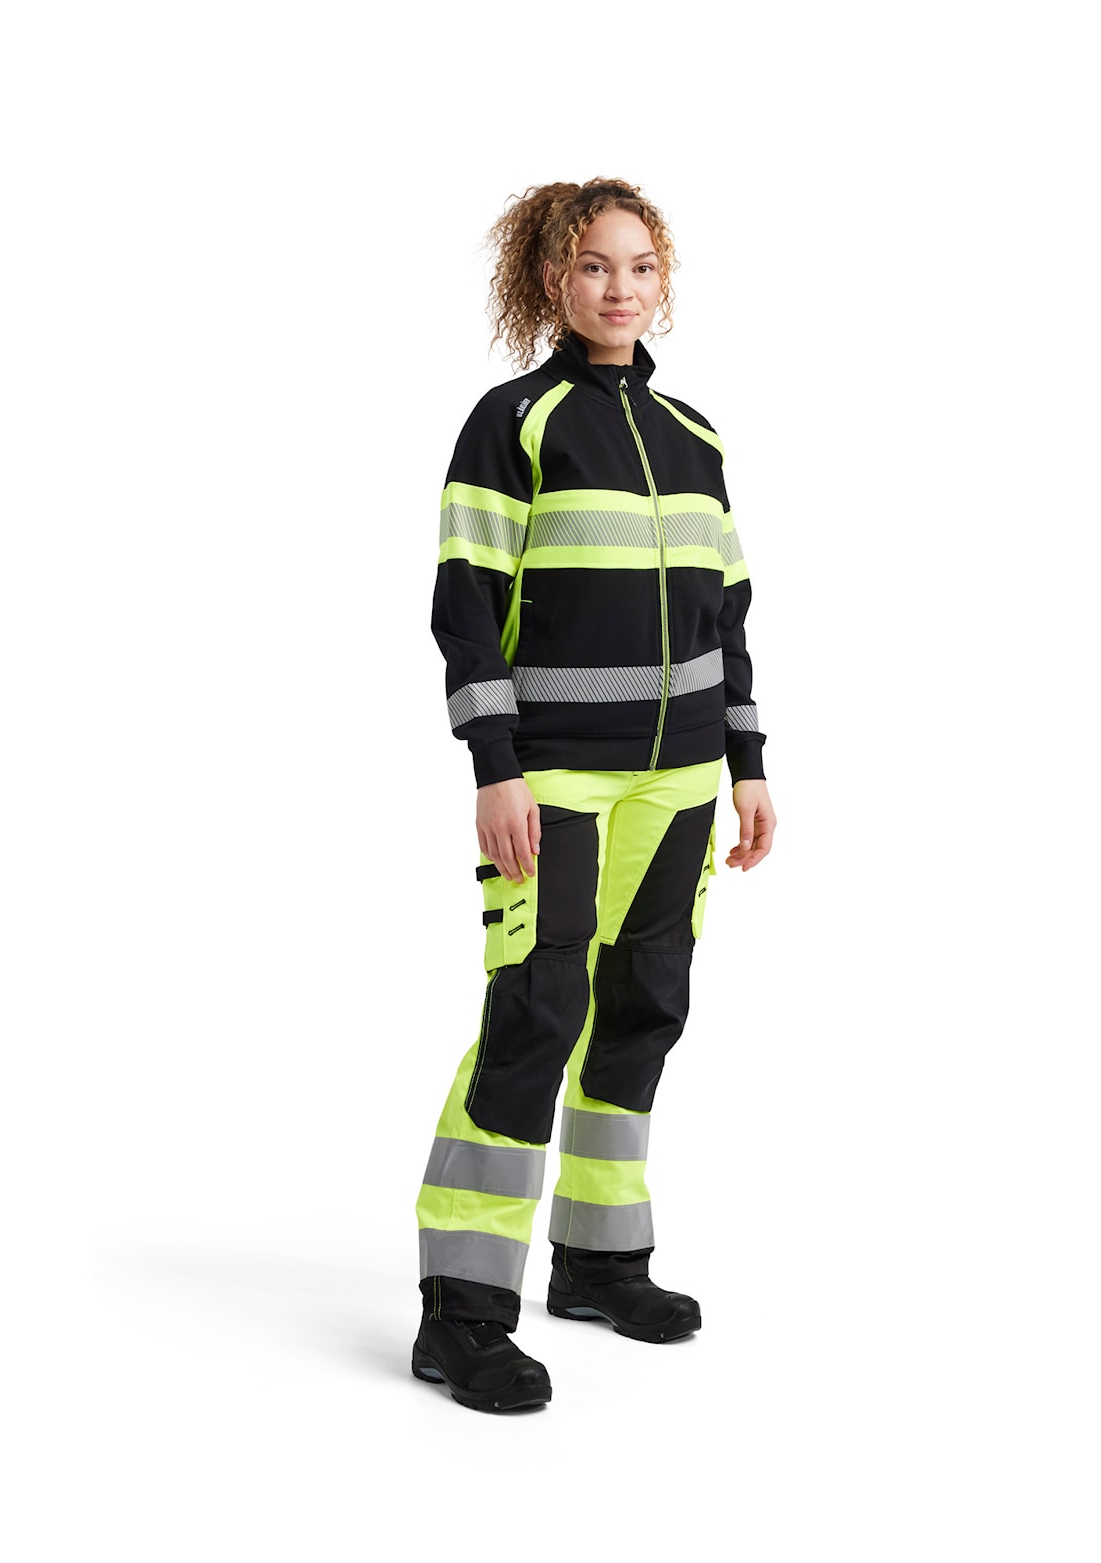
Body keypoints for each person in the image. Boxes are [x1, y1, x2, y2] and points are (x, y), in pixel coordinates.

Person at [411, 177, 776, 1412]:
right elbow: (465, 606)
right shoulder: (513, 422)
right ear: (549, 280)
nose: (619, 289)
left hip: (677, 783)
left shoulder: (694, 437)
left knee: (641, 1007)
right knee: (535, 1010)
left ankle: (599, 1260)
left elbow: (727, 616)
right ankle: (462, 1311)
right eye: (592, 267)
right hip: (555, 780)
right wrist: (494, 767)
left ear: (661, 279)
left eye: (639, 266)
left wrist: (746, 763)